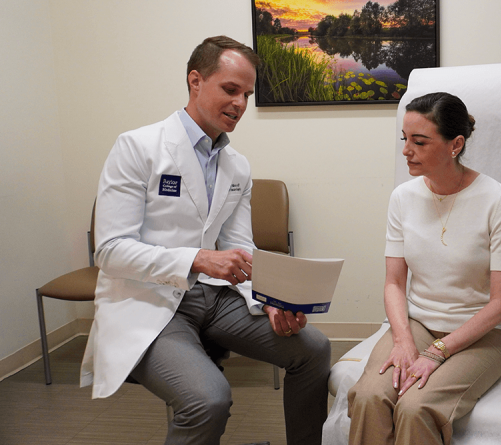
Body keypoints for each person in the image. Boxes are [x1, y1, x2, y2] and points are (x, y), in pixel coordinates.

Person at [79, 36, 331, 445]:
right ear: (195, 81)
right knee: (208, 399)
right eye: (230, 90)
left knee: (314, 349)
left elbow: (241, 248)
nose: (240, 104)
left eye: (247, 94)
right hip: (150, 300)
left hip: (214, 300)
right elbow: (110, 251)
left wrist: (269, 301)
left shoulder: (237, 166)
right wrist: (196, 258)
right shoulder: (137, 148)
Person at [347, 92, 501, 445]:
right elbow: (394, 283)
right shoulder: (403, 198)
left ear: (455, 145)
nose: (406, 150)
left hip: (484, 334)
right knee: (369, 397)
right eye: (405, 139)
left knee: (415, 407)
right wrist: (403, 339)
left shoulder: (498, 200)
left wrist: (436, 353)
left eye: (419, 141)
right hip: (419, 323)